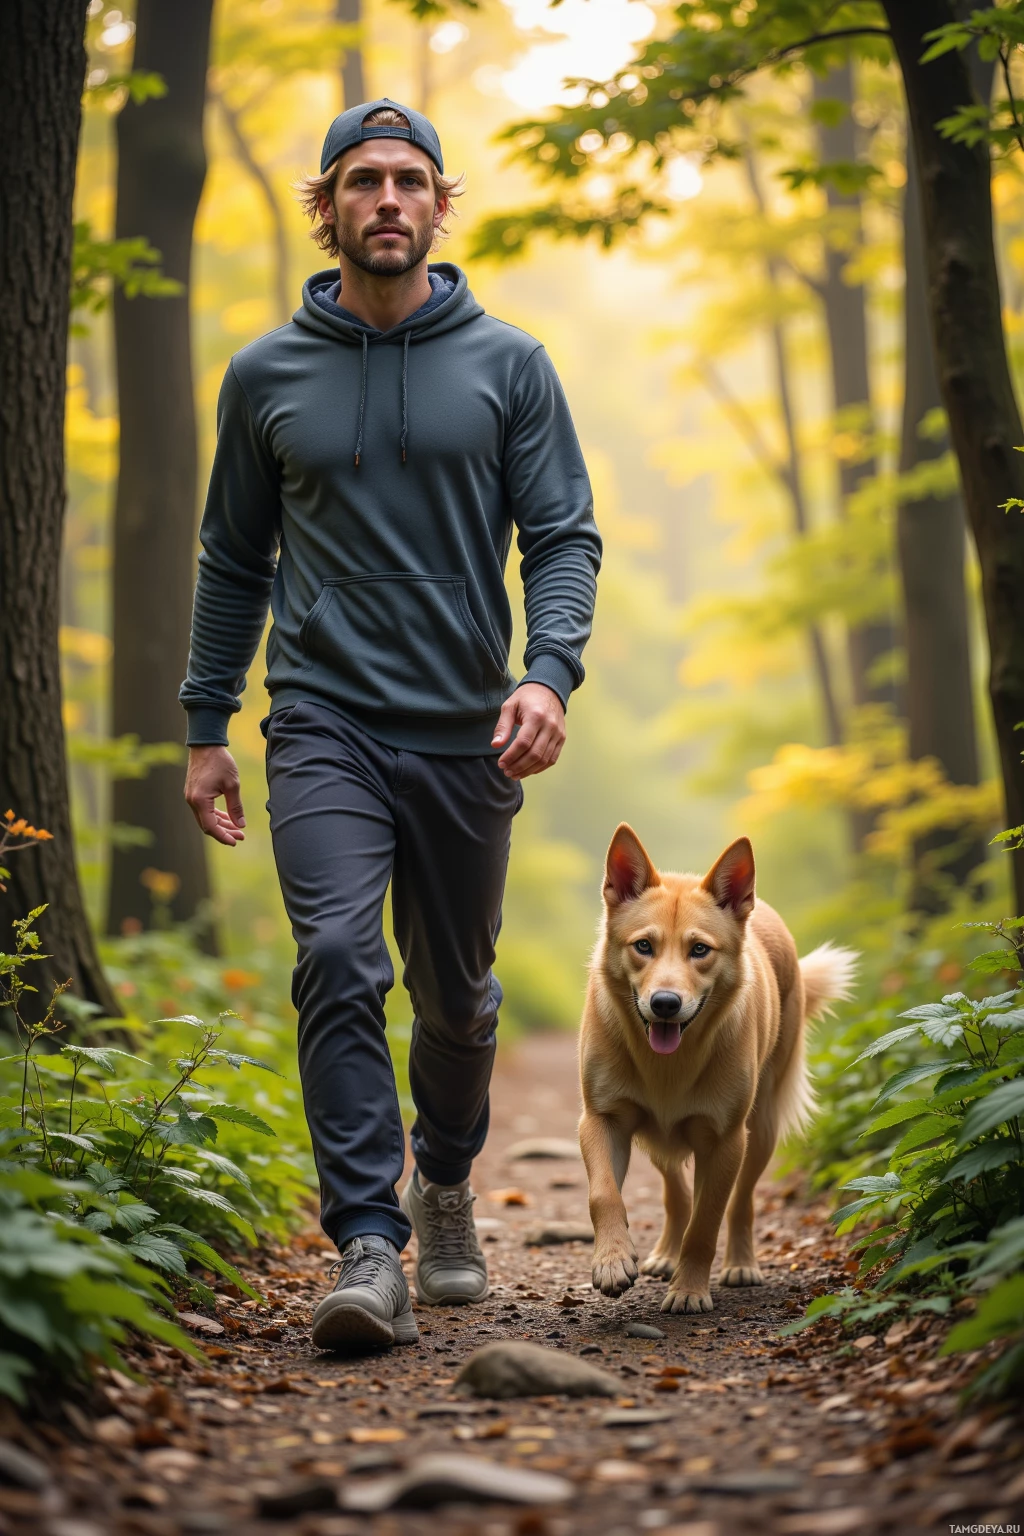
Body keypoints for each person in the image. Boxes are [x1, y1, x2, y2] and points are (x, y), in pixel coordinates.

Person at [180, 98, 601, 1354]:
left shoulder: (509, 363)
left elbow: (562, 535)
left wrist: (549, 673)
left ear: (437, 204)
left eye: (409, 180)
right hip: (321, 721)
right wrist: (207, 723)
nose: (387, 201)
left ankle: (449, 1180)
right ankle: (369, 1243)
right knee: (335, 961)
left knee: (459, 998)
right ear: (329, 206)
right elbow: (230, 559)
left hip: (472, 727)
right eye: (362, 181)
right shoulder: (266, 377)